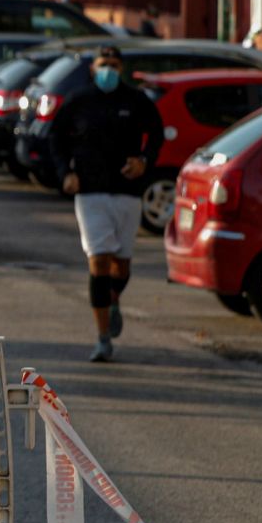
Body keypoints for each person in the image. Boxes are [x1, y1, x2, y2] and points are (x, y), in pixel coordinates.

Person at [48, 46, 164, 362]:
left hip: (126, 191)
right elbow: (55, 136)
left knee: (121, 264)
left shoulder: (136, 100)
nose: (108, 70)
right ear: (92, 69)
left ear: (121, 67)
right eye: (103, 65)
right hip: (90, 192)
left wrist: (144, 161)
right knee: (98, 260)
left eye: (113, 65)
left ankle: (113, 299)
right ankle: (102, 339)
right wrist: (65, 172)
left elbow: (157, 135)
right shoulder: (79, 101)